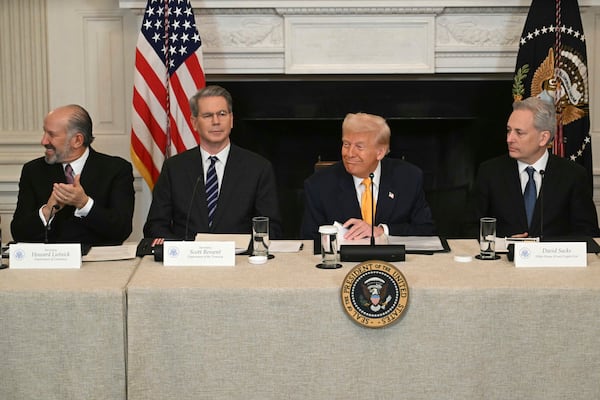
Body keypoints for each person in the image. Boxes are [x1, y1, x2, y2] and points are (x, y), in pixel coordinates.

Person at [143, 85, 282, 239]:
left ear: (231, 120)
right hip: (188, 259)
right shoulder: (174, 168)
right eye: (208, 115)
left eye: (222, 114)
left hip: (240, 259)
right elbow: (155, 225)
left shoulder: (258, 168)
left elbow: (271, 227)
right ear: (194, 123)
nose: (216, 121)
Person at [473, 96, 599, 238]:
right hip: (503, 259)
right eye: (509, 130)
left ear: (543, 138)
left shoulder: (573, 175)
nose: (509, 139)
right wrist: (504, 244)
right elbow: (469, 229)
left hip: (555, 259)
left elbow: (588, 234)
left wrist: (544, 249)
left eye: (519, 133)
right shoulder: (490, 172)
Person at [11, 104, 135, 245]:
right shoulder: (33, 171)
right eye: (44, 133)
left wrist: (84, 204)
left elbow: (122, 230)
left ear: (77, 140)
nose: (43, 141)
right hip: (48, 261)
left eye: (51, 134)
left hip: (99, 263)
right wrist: (47, 211)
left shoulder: (116, 170)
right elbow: (18, 233)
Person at [301, 112, 435, 241]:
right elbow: (310, 240)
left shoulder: (408, 178)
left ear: (380, 152)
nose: (349, 153)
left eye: (359, 147)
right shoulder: (319, 185)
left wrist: (383, 231)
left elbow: (425, 230)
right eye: (346, 144)